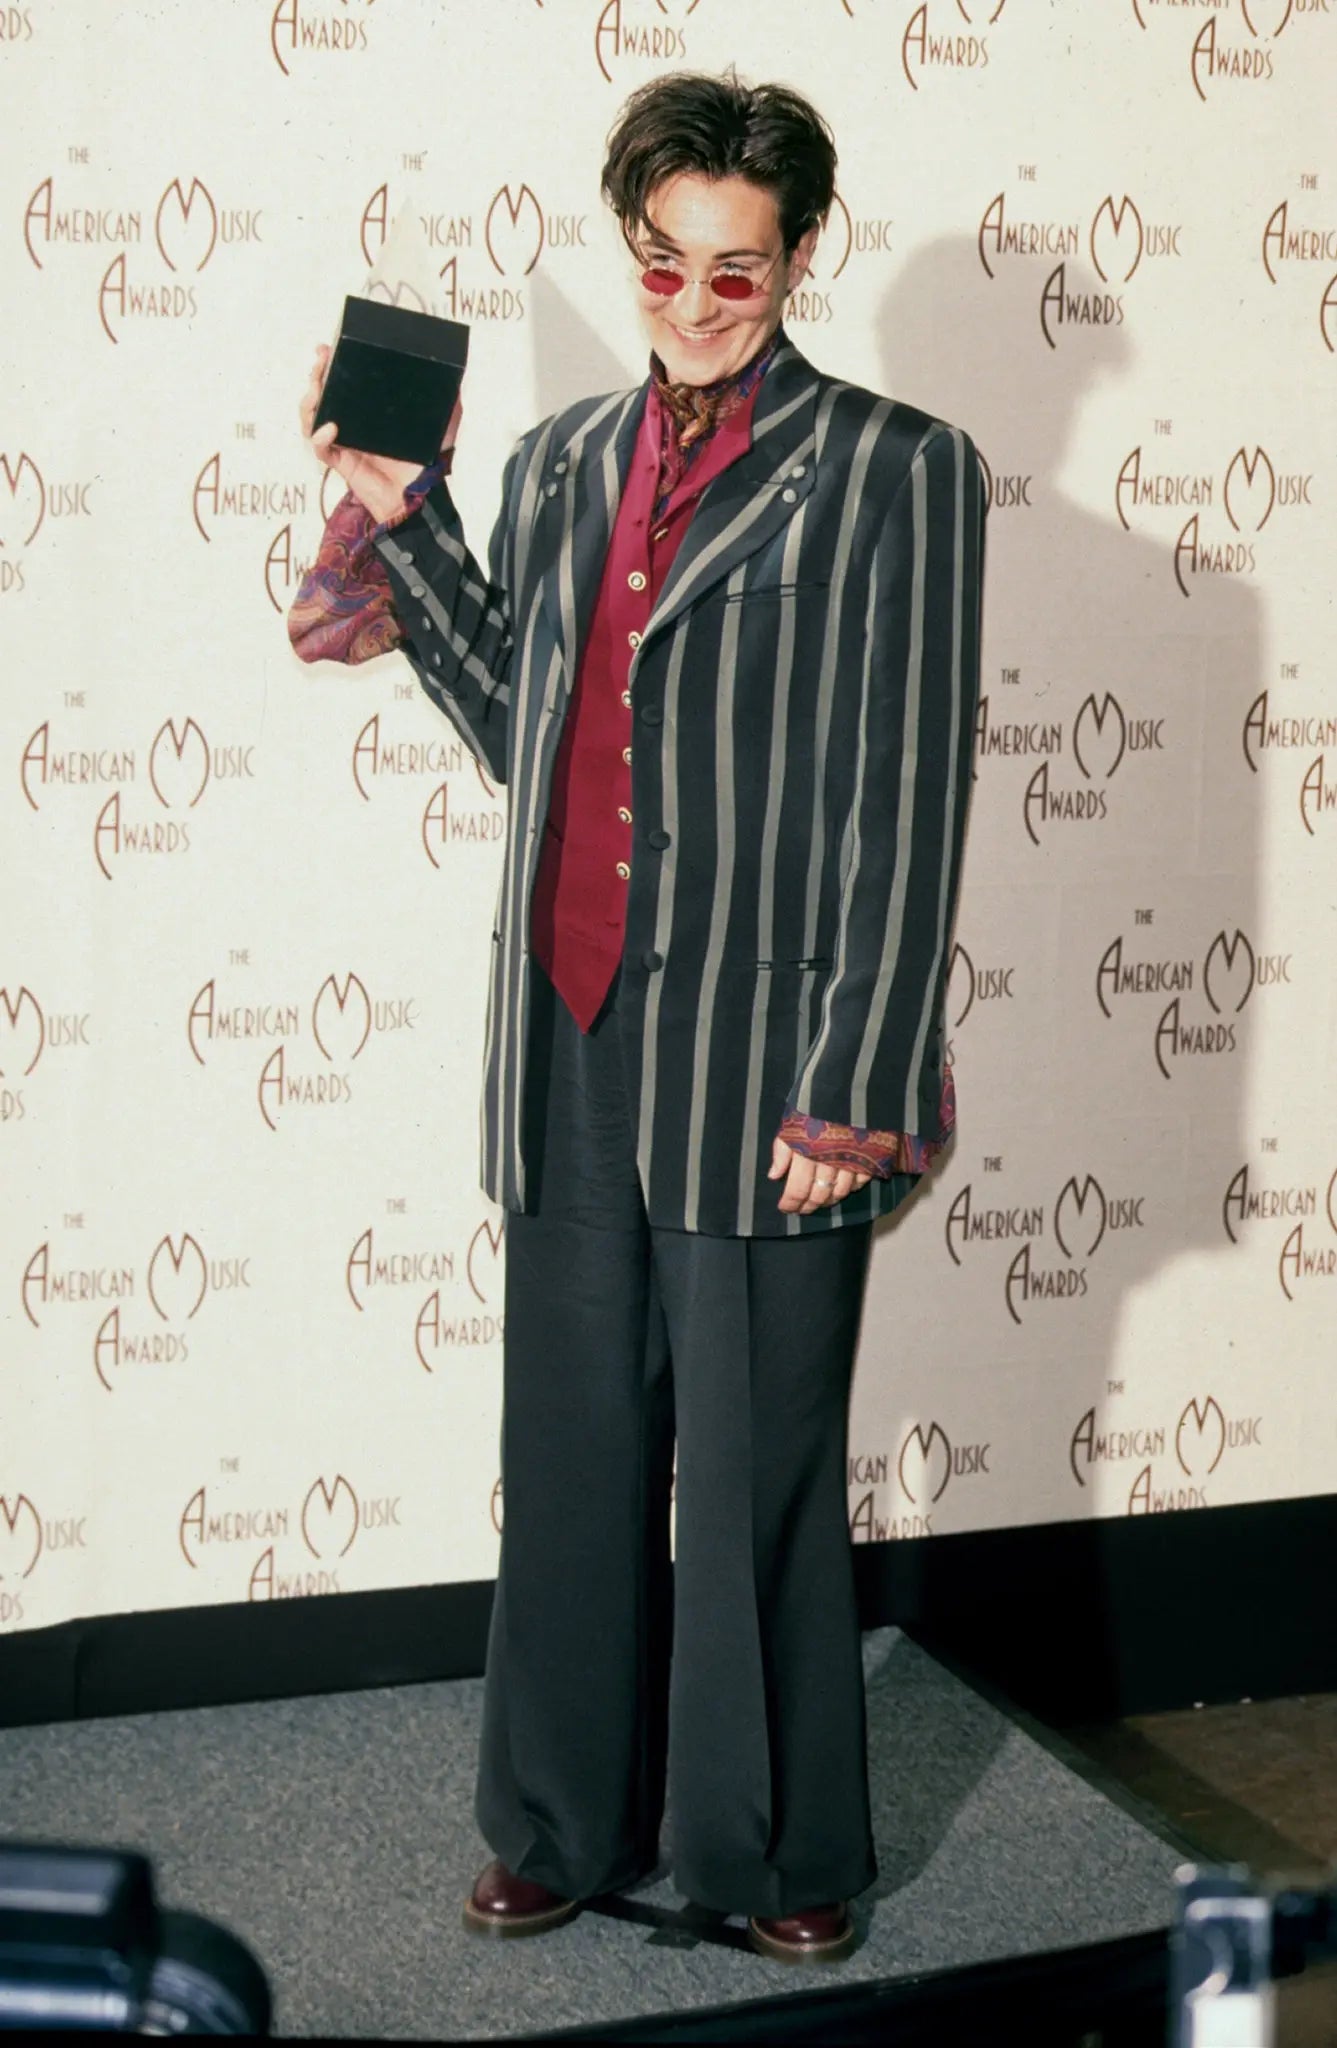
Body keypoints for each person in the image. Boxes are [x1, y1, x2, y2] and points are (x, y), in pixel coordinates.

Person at [290, 67, 987, 1965]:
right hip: (571, 1040)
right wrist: (398, 517)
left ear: (798, 261)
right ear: (633, 250)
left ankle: (772, 1853)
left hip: (771, 1059)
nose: (694, 304)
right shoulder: (567, 458)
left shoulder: (897, 470)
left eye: (736, 274)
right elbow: (525, 715)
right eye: (666, 264)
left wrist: (853, 1087)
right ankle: (557, 1826)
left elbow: (906, 793)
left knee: (756, 1473)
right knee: (578, 1455)